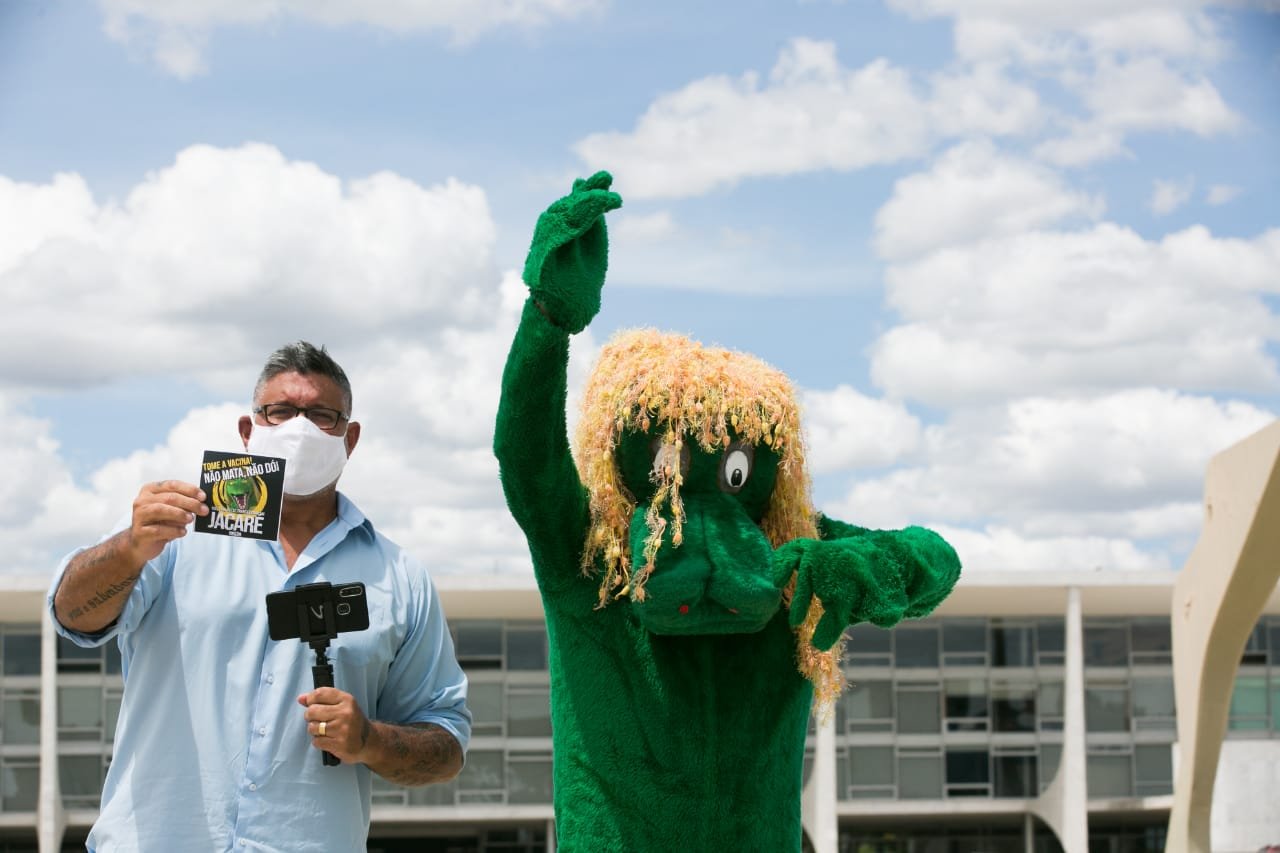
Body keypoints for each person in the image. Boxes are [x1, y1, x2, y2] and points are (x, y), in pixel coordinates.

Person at [48, 341, 471, 853]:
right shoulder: (172, 531)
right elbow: (72, 614)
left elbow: (446, 746)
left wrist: (369, 740)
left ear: (350, 438)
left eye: (321, 415)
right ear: (249, 431)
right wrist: (127, 551)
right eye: (281, 411)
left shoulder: (398, 577)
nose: (300, 428)